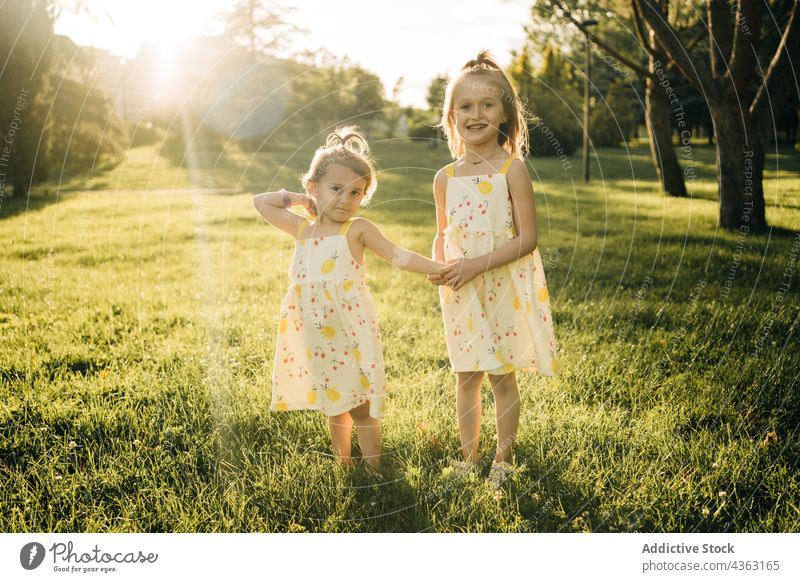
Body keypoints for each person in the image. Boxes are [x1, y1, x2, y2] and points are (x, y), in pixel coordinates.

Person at [254, 126, 443, 471]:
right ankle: (344, 463)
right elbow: (260, 202)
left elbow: (396, 254)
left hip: (350, 331)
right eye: (336, 189)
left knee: (359, 402)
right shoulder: (303, 229)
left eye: (356, 192)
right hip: (314, 333)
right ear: (314, 187)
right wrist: (299, 200)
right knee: (333, 401)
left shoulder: (357, 229)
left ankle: (372, 467)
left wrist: (438, 267)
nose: (346, 199)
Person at [429, 50, 559, 486]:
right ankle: (469, 460)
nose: (475, 114)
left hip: (500, 283)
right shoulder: (444, 177)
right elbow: (442, 234)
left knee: (501, 375)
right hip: (461, 288)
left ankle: (503, 461)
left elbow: (527, 239)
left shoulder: (512, 169)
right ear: (451, 117)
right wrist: (439, 265)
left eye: (487, 104)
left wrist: (475, 265)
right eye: (464, 106)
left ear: (505, 112)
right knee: (466, 375)